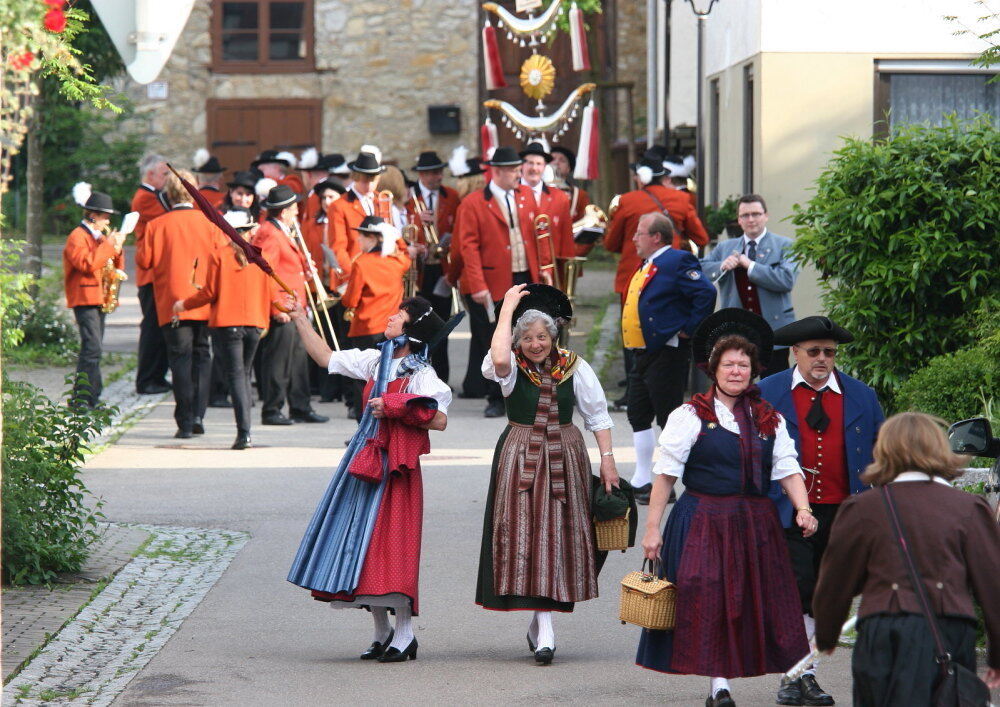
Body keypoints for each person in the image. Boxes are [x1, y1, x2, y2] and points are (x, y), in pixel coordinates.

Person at [637, 308, 814, 707]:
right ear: (713, 369)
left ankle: (773, 675)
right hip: (703, 520)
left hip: (756, 524)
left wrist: (803, 509)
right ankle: (719, 686)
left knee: (747, 606)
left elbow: (787, 469)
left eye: (743, 365)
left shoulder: (770, 418)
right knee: (711, 600)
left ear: (754, 371)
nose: (736, 371)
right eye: (729, 364)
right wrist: (652, 530)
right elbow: (665, 475)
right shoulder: (689, 416)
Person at [287, 295, 453, 663]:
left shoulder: (421, 374)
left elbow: (439, 419)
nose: (391, 318)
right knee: (360, 545)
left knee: (391, 547)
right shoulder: (375, 361)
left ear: (410, 332)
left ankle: (406, 633)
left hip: (397, 468)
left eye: (399, 315)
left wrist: (396, 407)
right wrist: (300, 316)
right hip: (364, 461)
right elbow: (326, 357)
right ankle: (381, 632)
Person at [812, 412, 1000, 705]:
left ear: (884, 450)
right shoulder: (969, 507)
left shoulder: (861, 508)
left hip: (883, 629)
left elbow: (835, 582)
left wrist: (827, 634)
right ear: (939, 448)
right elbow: (993, 586)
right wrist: (997, 655)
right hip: (949, 630)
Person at [476, 283, 618, 665]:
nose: (535, 344)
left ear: (552, 336)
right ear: (517, 340)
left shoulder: (575, 365)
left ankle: (545, 625)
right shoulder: (508, 368)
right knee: (525, 533)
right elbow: (499, 357)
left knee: (556, 536)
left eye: (541, 336)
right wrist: (506, 307)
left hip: (564, 454)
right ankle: (543, 626)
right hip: (520, 455)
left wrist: (607, 460)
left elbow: (598, 415)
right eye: (526, 337)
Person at [758, 315, 885, 706]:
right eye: (813, 352)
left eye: (829, 353)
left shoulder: (861, 395)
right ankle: (798, 675)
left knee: (823, 596)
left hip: (844, 512)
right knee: (795, 590)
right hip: (785, 511)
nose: (822, 359)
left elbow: (883, 454)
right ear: (794, 353)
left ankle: (801, 674)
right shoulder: (766, 392)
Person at [604, 153, 711, 410]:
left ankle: (635, 391)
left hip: (633, 278)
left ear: (640, 178)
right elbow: (702, 237)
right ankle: (664, 390)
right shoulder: (683, 199)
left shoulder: (627, 200)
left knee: (633, 335)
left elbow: (611, 243)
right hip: (672, 281)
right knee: (667, 337)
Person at [622, 212, 716, 504]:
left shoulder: (677, 260)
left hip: (667, 352)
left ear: (656, 237)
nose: (634, 238)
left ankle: (670, 482)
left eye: (639, 233)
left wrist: (688, 330)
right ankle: (642, 479)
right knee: (638, 413)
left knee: (668, 417)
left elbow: (706, 292)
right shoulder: (648, 263)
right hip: (643, 352)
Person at [453, 145, 551, 417]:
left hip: (524, 275)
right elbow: (467, 247)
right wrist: (478, 284)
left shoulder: (526, 197)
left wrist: (545, 268)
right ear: (497, 171)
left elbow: (539, 235)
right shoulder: (473, 203)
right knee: (494, 338)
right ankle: (496, 397)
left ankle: (527, 391)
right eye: (513, 171)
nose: (518, 175)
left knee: (526, 334)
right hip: (493, 278)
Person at [172, 209, 272, 450]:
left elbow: (209, 293)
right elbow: (267, 291)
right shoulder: (260, 255)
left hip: (228, 323)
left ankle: (244, 433)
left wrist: (183, 304)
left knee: (237, 376)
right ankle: (247, 431)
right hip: (255, 323)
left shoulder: (219, 255)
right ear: (248, 232)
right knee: (244, 375)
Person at [136, 169, 217, 438]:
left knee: (180, 359)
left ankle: (183, 421)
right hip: (204, 298)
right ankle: (198, 415)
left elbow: (144, 262)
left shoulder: (156, 225)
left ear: (168, 194)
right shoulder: (209, 222)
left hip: (172, 302)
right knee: (202, 355)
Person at [252, 184, 329, 426]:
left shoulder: (282, 230)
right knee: (278, 360)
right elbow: (266, 272)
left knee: (297, 359)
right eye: (294, 206)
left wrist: (304, 271)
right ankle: (272, 409)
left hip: (294, 305)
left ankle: (300, 406)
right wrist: (277, 307)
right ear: (284, 211)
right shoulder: (271, 233)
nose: (297, 210)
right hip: (284, 307)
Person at [701, 194, 798, 373]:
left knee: (773, 388)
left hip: (774, 330)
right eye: (745, 215)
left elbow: (786, 279)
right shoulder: (725, 248)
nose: (751, 219)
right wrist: (721, 266)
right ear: (739, 219)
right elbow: (699, 269)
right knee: (738, 386)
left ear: (766, 216)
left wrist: (751, 265)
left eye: (756, 214)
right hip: (737, 331)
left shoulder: (785, 245)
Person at [341, 216, 412, 420]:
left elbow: (351, 300)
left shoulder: (362, 263)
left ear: (372, 238)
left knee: (362, 380)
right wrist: (394, 236)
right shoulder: (397, 261)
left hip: (366, 327)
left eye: (362, 237)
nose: (359, 242)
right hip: (391, 329)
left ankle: (362, 426)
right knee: (386, 379)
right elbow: (406, 253)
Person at [62, 184, 126, 408]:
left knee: (95, 349)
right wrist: (109, 245)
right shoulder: (77, 237)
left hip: (99, 297)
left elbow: (112, 265)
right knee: (92, 349)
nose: (107, 222)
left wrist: (117, 249)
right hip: (84, 298)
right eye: (105, 217)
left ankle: (92, 397)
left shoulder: (98, 237)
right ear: (93, 216)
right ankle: (80, 399)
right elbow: (87, 264)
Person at [408, 150, 461, 385]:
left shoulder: (452, 196)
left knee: (442, 323)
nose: (435, 177)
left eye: (438, 172)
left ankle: (441, 377)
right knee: (417, 325)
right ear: (420, 174)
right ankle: (416, 375)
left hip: (442, 267)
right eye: (429, 173)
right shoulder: (410, 198)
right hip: (418, 269)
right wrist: (419, 223)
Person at [132, 153, 171, 395]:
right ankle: (146, 379)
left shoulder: (153, 195)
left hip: (158, 273)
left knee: (160, 328)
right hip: (150, 274)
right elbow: (167, 220)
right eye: (164, 174)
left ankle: (157, 375)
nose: (167, 178)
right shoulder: (145, 198)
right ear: (150, 175)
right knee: (152, 329)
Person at [519, 141, 574, 271]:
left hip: (551, 267)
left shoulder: (560, 197)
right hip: (521, 267)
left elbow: (566, 237)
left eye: (539, 164)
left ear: (544, 167)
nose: (534, 168)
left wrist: (569, 270)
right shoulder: (511, 194)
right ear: (522, 165)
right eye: (530, 163)